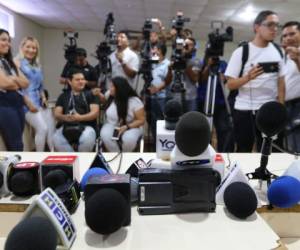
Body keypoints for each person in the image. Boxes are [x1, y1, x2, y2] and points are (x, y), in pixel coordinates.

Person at [225, 10, 286, 152]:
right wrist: (248, 77)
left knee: (271, 150)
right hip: (245, 110)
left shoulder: (278, 51)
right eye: (270, 24)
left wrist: (281, 108)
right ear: (256, 27)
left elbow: (281, 82)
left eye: (277, 25)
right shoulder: (242, 52)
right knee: (244, 149)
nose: (275, 29)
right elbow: (230, 84)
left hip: (269, 110)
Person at [15, 36, 55, 151]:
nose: (31, 50)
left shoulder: (37, 65)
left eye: (34, 48)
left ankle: (52, 155)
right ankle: (39, 158)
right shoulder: (17, 63)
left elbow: (40, 85)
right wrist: (28, 103)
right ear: (22, 47)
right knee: (42, 128)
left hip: (39, 102)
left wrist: (43, 97)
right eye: (28, 47)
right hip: (26, 104)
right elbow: (18, 87)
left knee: (50, 128)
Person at [53, 68, 99, 152]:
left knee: (87, 137)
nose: (81, 82)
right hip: (66, 127)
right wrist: (65, 117)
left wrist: (80, 118)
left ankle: (82, 161)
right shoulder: (63, 96)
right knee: (56, 137)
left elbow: (95, 113)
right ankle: (72, 160)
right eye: (77, 80)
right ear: (70, 82)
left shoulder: (91, 94)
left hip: (87, 127)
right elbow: (57, 114)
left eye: (83, 79)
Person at [0, 29, 29, 151]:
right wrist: (16, 81)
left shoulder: (9, 62)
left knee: (18, 143)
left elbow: (26, 83)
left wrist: (13, 78)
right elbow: (4, 83)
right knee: (16, 145)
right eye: (3, 39)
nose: (7, 43)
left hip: (17, 105)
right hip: (5, 105)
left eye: (9, 40)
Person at [198, 56, 234, 152]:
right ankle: (204, 150)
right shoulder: (202, 62)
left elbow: (226, 80)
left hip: (220, 102)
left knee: (223, 130)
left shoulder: (223, 64)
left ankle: (222, 152)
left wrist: (223, 77)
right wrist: (208, 66)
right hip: (204, 101)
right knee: (204, 130)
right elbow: (200, 79)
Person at [100, 76, 145, 152]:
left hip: (131, 126)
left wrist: (127, 127)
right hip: (112, 124)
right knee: (105, 135)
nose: (110, 89)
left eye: (112, 86)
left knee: (128, 139)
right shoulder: (109, 95)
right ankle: (116, 155)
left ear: (119, 88)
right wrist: (98, 94)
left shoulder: (134, 101)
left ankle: (125, 156)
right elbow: (104, 100)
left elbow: (141, 120)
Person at [146, 42, 171, 144]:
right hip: (150, 97)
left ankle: (163, 143)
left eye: (154, 49)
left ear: (160, 51)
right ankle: (155, 143)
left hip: (162, 98)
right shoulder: (152, 63)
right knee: (152, 121)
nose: (152, 51)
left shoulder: (167, 64)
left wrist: (157, 89)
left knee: (161, 122)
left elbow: (168, 80)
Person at [167, 37, 200, 112]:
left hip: (190, 97)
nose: (187, 46)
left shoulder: (196, 61)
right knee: (176, 120)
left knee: (190, 121)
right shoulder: (175, 59)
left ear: (194, 47)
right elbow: (168, 80)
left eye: (190, 45)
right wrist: (169, 68)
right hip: (176, 95)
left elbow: (195, 79)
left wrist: (185, 62)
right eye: (186, 44)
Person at [281, 21, 300, 152]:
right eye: (285, 35)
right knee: (288, 146)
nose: (288, 38)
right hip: (285, 105)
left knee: (297, 144)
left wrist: (297, 59)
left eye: (292, 33)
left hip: (298, 105)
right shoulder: (284, 56)